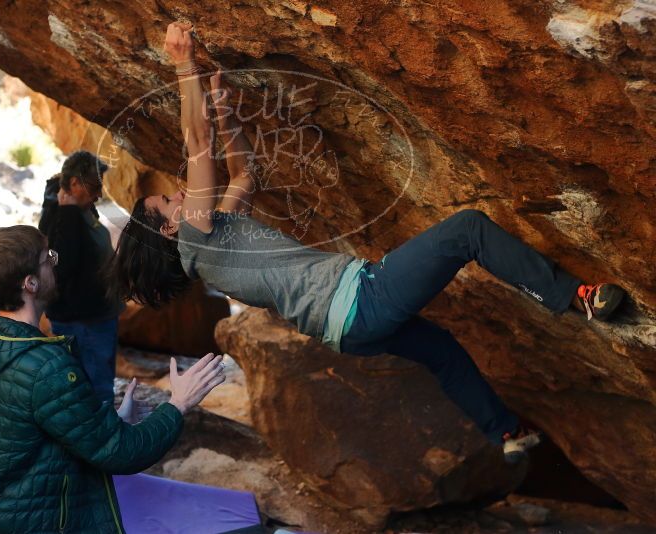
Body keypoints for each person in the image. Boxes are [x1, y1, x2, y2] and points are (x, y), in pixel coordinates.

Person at [109, 22, 628, 463]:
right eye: (168, 202)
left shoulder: (214, 239)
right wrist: (183, 65)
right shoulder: (196, 237)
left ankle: (505, 432)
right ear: (170, 229)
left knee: (442, 352)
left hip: (349, 331)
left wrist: (225, 116)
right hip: (359, 301)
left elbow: (245, 174)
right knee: (468, 230)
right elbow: (196, 145)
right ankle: (576, 297)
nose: (178, 194)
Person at [0, 225, 225, 533]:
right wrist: (179, 403)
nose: (55, 263)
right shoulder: (47, 367)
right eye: (48, 258)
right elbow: (122, 452)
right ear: (30, 283)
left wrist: (111, 422)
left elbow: (24, 431)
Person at [39, 151, 121, 403]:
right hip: (83, 321)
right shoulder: (61, 215)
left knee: (99, 385)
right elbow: (61, 266)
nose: (99, 194)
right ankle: (101, 429)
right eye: (95, 187)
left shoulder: (82, 209)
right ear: (74, 183)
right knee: (95, 391)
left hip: (96, 318)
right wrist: (69, 214)